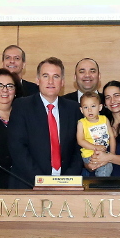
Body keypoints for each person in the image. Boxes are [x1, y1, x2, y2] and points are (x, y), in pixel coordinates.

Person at [8, 57, 84, 187]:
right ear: (37, 80)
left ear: (62, 82)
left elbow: (78, 149)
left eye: (56, 76)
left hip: (66, 186)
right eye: (45, 76)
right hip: (29, 185)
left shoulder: (74, 109)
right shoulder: (22, 106)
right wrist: (42, 181)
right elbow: (18, 148)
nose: (50, 81)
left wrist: (65, 181)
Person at [85, 81, 120, 177]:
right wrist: (90, 164)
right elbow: (86, 153)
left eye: (116, 95)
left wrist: (109, 158)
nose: (112, 101)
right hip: (98, 183)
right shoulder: (98, 122)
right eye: (108, 97)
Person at [77, 91, 113, 177]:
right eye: (85, 107)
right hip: (89, 154)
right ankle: (101, 187)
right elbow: (80, 140)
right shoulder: (82, 123)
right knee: (105, 167)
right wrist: (96, 148)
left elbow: (111, 137)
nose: (89, 110)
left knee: (108, 166)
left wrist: (112, 155)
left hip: (104, 153)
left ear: (100, 107)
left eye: (93, 106)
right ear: (81, 110)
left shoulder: (104, 119)